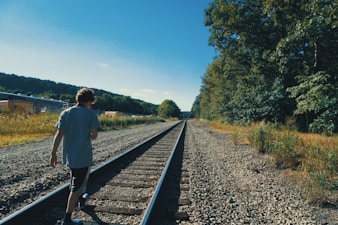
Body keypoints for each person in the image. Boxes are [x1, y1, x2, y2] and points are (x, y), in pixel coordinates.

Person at [50, 87, 99, 225]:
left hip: (69, 157)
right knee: (76, 187)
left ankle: (81, 198)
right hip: (83, 157)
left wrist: (53, 153)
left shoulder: (66, 113)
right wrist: (88, 134)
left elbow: (59, 134)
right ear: (90, 100)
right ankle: (67, 219)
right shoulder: (90, 114)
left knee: (76, 181)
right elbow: (94, 135)